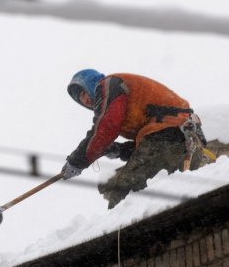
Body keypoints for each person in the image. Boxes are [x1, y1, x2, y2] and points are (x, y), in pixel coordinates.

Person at [61, 69, 207, 209]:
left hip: (171, 135)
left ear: (91, 83)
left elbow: (107, 126)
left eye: (83, 93)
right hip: (183, 139)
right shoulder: (127, 106)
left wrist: (77, 161)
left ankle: (122, 233)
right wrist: (119, 150)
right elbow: (146, 145)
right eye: (80, 99)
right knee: (171, 197)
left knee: (124, 195)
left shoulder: (109, 84)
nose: (85, 100)